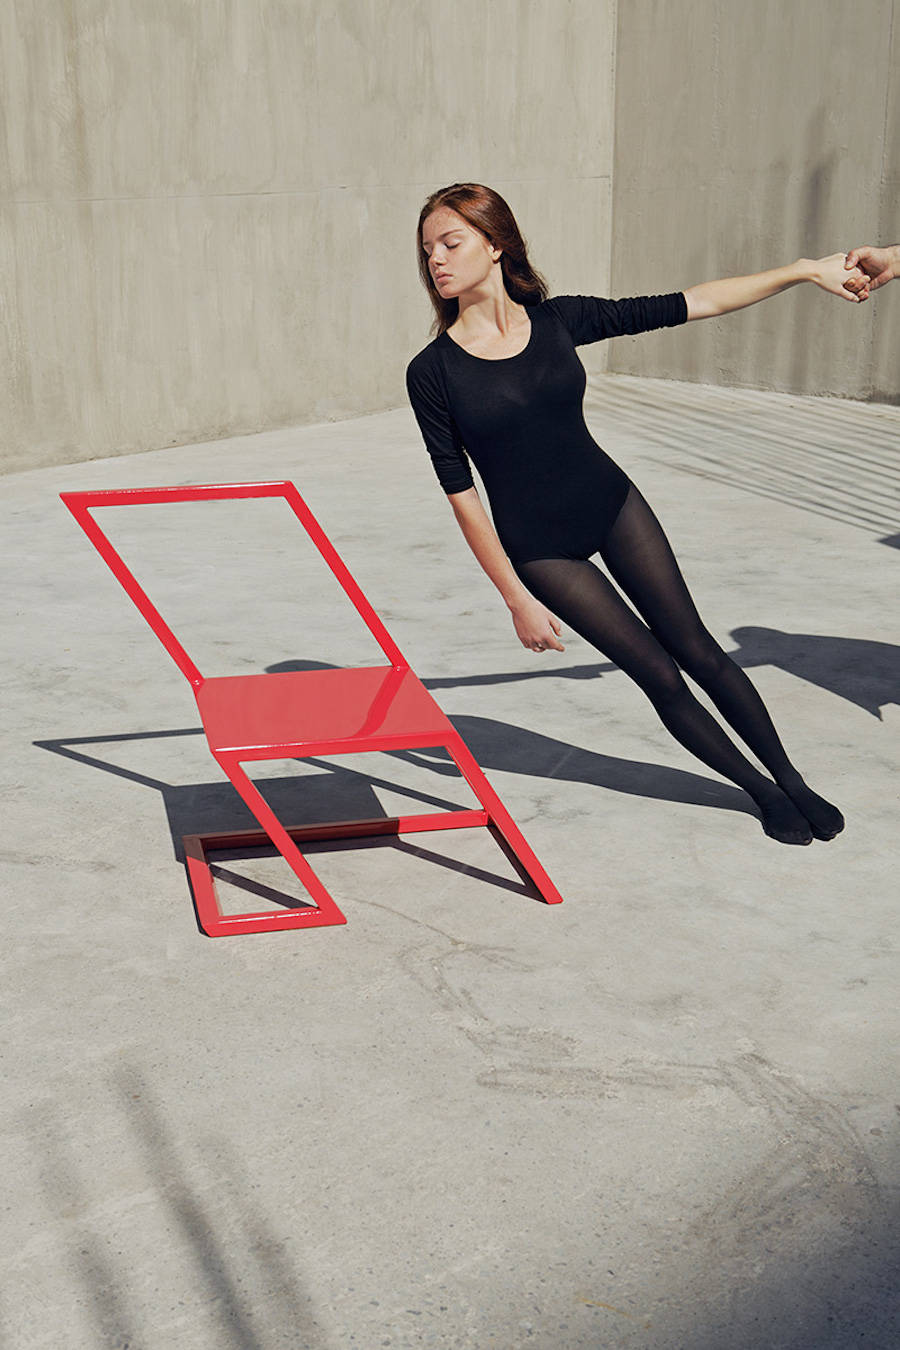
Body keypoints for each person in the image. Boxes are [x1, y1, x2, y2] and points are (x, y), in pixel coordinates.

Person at [406, 183, 871, 845]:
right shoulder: (433, 372)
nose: (437, 260)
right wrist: (515, 598)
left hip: (612, 504)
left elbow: (696, 302)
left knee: (698, 649)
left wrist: (801, 271)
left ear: (496, 243)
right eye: (428, 250)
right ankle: (762, 792)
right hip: (542, 550)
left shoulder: (559, 321)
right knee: (659, 676)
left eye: (450, 243)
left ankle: (792, 779)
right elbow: (460, 493)